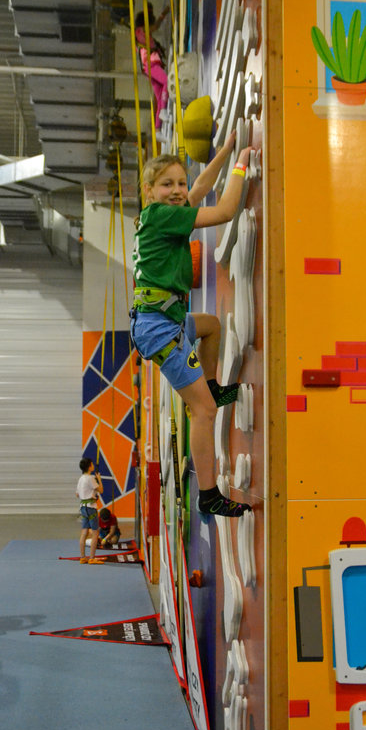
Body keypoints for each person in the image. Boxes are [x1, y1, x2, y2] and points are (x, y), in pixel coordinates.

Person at [130, 132, 252, 518]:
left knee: (211, 326)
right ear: (149, 191)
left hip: (163, 317)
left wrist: (225, 150)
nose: (178, 191)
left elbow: (199, 189)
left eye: (180, 183)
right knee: (204, 412)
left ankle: (211, 386)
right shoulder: (162, 216)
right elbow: (225, 211)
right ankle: (209, 495)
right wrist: (241, 164)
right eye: (167, 185)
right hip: (159, 327)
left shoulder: (159, 214)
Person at [135, 3, 169, 129]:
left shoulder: (140, 35)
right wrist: (163, 14)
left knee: (159, 96)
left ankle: (158, 128)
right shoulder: (141, 31)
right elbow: (155, 26)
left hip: (148, 66)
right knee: (167, 81)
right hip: (151, 64)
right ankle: (163, 110)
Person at [76, 458, 103, 564]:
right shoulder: (90, 478)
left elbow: (77, 494)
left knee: (84, 532)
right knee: (95, 533)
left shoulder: (81, 478)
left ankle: (83, 557)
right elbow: (101, 490)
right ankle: (92, 558)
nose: (93, 465)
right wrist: (99, 479)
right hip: (91, 507)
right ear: (89, 467)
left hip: (83, 507)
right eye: (92, 464)